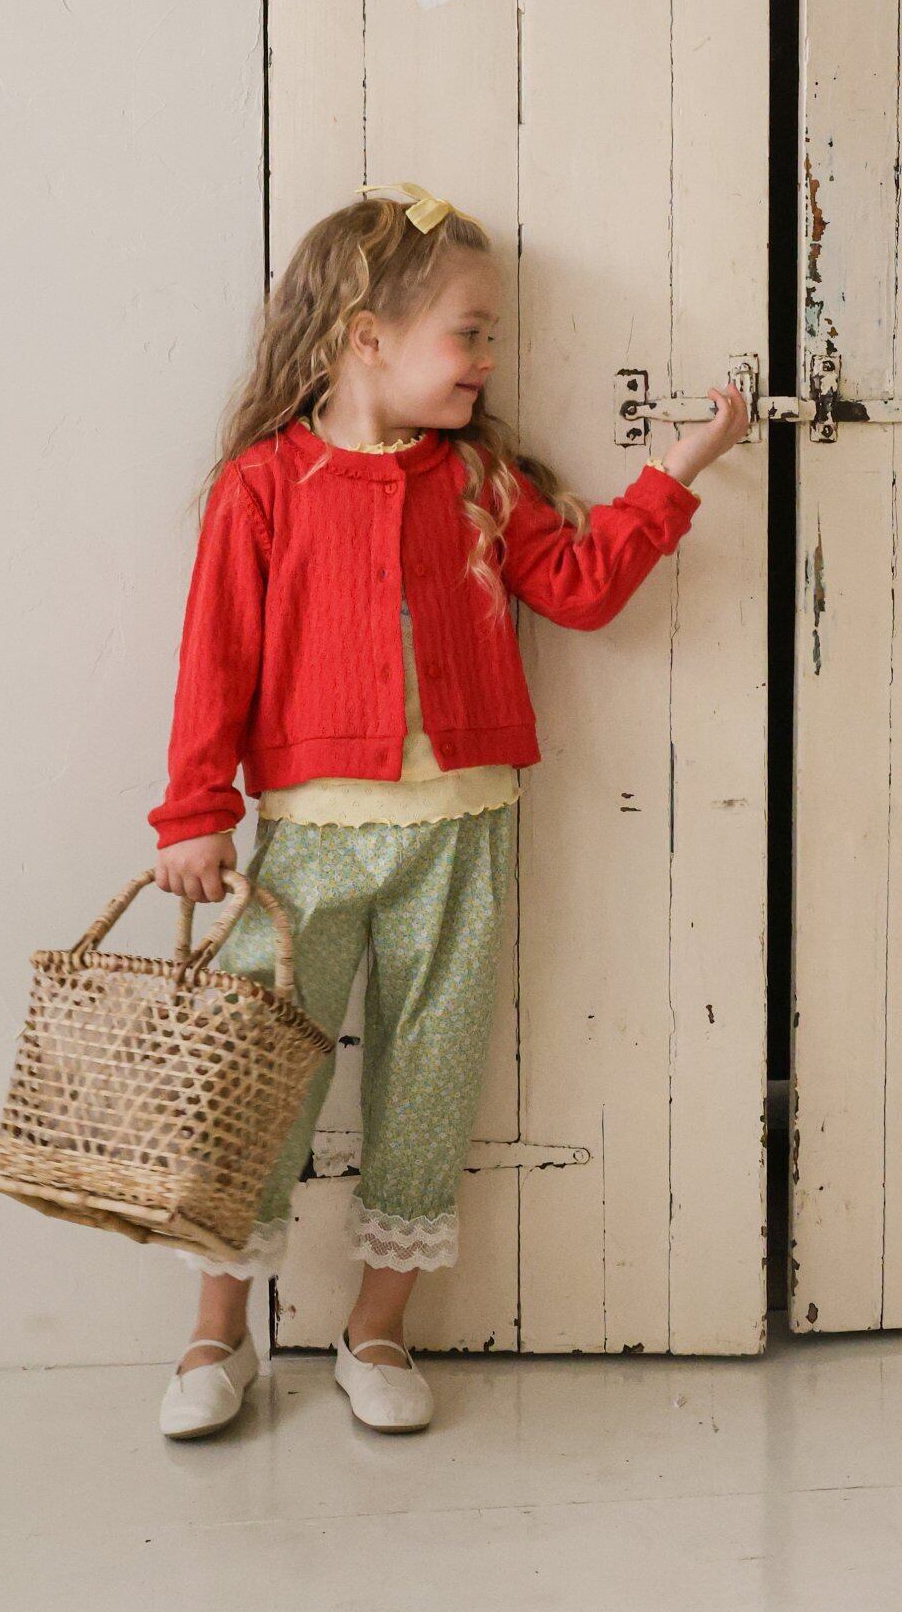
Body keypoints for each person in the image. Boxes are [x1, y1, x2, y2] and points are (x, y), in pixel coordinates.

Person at [147, 181, 749, 1440]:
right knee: (256, 1082)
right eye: (467, 333)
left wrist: (678, 469)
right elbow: (214, 658)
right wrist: (192, 813)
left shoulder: (478, 479)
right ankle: (215, 1333)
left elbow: (579, 590)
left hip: (464, 834)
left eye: (491, 337)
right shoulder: (264, 486)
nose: (486, 359)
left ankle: (376, 1329)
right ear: (365, 336)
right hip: (304, 848)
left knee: (430, 1083)